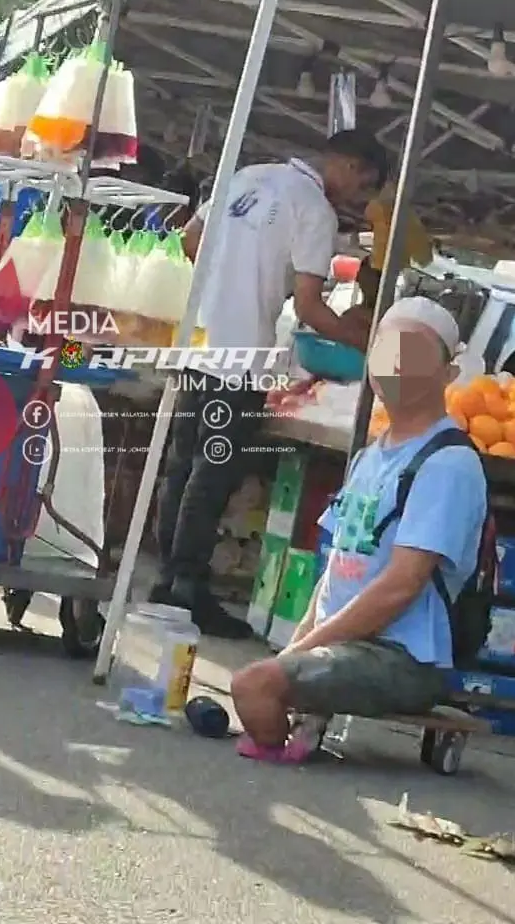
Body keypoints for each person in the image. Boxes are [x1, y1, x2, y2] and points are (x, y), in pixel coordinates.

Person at [151, 130, 389, 638]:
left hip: (198, 341)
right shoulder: (316, 212)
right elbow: (309, 307)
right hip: (244, 354)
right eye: (363, 185)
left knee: (182, 462)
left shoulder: (248, 176)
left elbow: (190, 240)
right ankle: (187, 587)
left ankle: (166, 578)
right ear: (346, 165)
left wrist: (225, 282)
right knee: (210, 472)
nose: (359, 199)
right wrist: (364, 339)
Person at [229, 296, 488, 760]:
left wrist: (297, 657)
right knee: (259, 683)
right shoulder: (372, 456)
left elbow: (400, 587)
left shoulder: (449, 464)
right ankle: (289, 729)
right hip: (344, 645)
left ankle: (280, 741)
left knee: (254, 686)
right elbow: (336, 567)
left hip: (401, 657)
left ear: (448, 374)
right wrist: (296, 649)